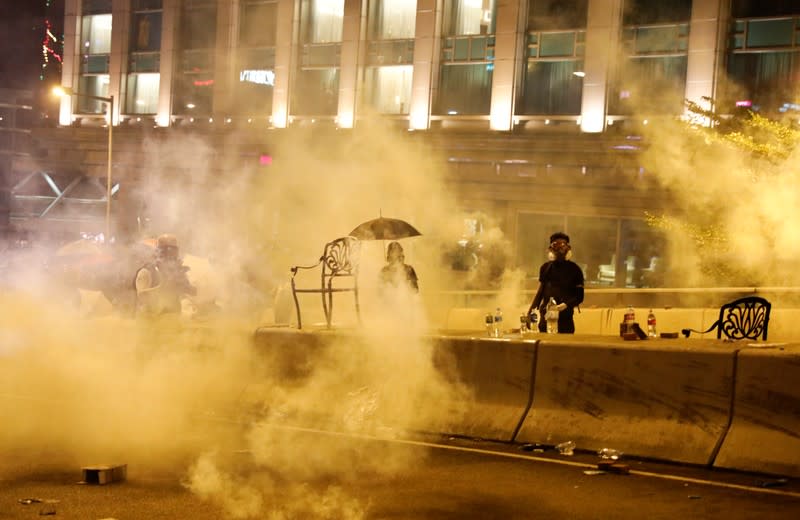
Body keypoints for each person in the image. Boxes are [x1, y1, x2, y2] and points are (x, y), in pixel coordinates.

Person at [527, 232, 584, 333]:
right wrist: (530, 312)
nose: (560, 249)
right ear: (551, 248)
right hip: (545, 320)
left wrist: (563, 305)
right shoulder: (545, 268)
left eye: (563, 245)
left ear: (568, 247)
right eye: (556, 245)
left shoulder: (575, 270)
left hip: (565, 322)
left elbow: (579, 296)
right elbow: (540, 292)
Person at [134, 233, 196, 316]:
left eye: (173, 252)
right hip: (152, 321)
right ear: (159, 252)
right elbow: (142, 297)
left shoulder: (178, 272)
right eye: (166, 251)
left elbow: (189, 294)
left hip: (174, 321)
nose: (170, 256)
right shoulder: (147, 271)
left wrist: (189, 289)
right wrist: (164, 287)